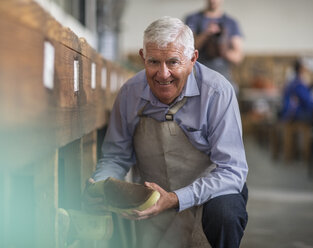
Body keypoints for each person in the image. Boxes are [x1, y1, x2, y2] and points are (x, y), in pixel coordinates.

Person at [87, 16, 248, 248]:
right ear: (142, 57)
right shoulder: (130, 93)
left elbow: (232, 171)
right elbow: (116, 156)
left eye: (173, 62)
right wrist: (100, 186)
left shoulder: (217, 92)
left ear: (192, 59)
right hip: (153, 198)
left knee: (226, 213)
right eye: (153, 62)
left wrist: (175, 198)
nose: (163, 74)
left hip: (210, 194)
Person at [185, 0, 244, 93]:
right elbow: (187, 49)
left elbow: (238, 57)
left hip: (223, 75)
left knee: (231, 90)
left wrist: (222, 50)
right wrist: (206, 34)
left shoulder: (231, 22)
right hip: (197, 74)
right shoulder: (193, 19)